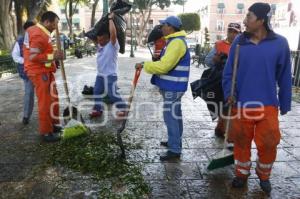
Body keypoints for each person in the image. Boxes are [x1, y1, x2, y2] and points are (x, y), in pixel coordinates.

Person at [222, 3, 292, 195]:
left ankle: (264, 175)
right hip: (241, 103)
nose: (245, 21)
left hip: (268, 104)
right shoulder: (239, 43)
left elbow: (285, 75)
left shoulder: (280, 43)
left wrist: (285, 101)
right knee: (241, 140)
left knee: (269, 141)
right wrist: (229, 92)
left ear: (261, 21)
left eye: (249, 17)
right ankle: (241, 173)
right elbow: (229, 73)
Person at [136, 16, 190, 161]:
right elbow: (167, 61)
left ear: (171, 27)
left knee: (170, 116)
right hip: (174, 86)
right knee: (176, 115)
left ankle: (174, 149)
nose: (161, 28)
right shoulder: (173, 41)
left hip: (173, 86)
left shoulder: (176, 43)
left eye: (163, 25)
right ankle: (175, 141)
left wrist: (145, 65)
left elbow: (165, 66)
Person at [23, 11, 64, 142]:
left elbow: (42, 50)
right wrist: (54, 56)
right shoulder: (37, 34)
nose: (56, 26)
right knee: (46, 102)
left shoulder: (39, 31)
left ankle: (53, 125)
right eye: (55, 23)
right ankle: (46, 132)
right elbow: (33, 57)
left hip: (45, 70)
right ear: (47, 22)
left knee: (54, 98)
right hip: (39, 72)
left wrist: (54, 53)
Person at [204, 23, 241, 140]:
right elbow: (208, 61)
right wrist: (215, 60)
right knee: (222, 106)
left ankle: (229, 134)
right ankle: (221, 128)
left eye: (235, 32)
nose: (232, 34)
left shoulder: (244, 46)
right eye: (230, 31)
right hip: (220, 81)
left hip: (237, 82)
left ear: (239, 33)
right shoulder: (219, 45)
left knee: (232, 108)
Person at [89, 12, 127, 118]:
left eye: (102, 40)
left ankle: (124, 108)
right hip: (100, 75)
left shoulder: (112, 45)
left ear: (107, 39)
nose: (99, 42)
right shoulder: (100, 47)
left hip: (110, 75)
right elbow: (93, 38)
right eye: (98, 40)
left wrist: (110, 19)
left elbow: (113, 34)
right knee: (96, 91)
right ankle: (98, 109)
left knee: (112, 94)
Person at [11, 21, 35, 125]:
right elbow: (15, 56)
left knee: (45, 94)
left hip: (40, 71)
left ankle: (47, 117)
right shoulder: (20, 41)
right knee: (29, 94)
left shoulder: (37, 39)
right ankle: (26, 116)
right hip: (27, 72)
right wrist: (27, 61)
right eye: (30, 29)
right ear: (26, 30)